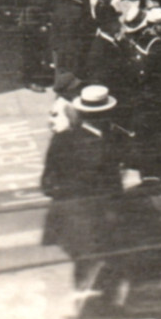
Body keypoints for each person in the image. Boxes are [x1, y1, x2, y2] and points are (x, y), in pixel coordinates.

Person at [40, 85, 127, 291]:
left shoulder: (61, 139)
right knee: (100, 276)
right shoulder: (106, 146)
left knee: (84, 272)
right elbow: (114, 194)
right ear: (107, 115)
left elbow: (47, 184)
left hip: (67, 219)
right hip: (97, 224)